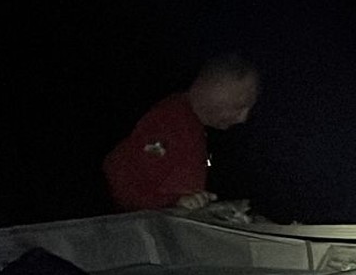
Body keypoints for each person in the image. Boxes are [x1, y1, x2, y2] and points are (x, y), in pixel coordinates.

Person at [102, 52, 260, 213]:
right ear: (216, 92)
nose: (243, 118)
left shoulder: (192, 124)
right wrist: (174, 201)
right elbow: (123, 186)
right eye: (239, 106)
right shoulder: (169, 122)